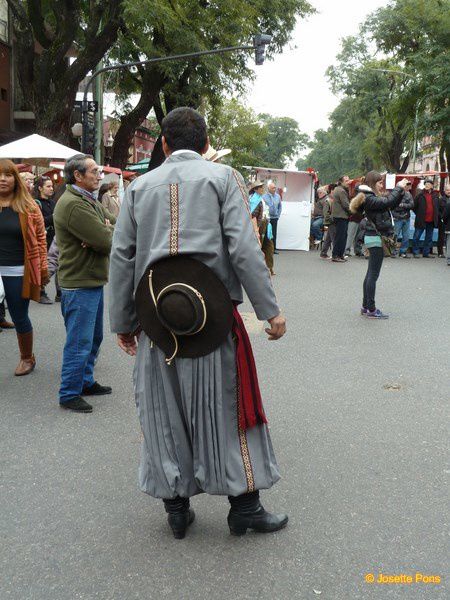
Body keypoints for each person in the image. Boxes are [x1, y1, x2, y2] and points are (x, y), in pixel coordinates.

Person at [109, 107, 287, 540]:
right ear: (205, 144)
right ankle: (244, 507)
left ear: (163, 144)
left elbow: (122, 257)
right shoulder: (223, 178)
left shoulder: (138, 188)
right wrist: (269, 310)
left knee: (162, 411)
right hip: (212, 318)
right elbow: (244, 248)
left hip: (156, 320)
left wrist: (123, 322)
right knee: (226, 408)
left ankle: (176, 509)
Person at [53, 154, 117, 413]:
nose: (99, 175)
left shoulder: (86, 199)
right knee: (79, 342)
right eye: (94, 170)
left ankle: (85, 381)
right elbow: (106, 241)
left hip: (90, 279)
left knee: (93, 338)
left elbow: (114, 226)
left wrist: (103, 229)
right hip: (79, 282)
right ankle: (69, 392)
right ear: (77, 175)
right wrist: (102, 233)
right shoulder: (73, 204)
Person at [0, 159, 49, 375]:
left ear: (15, 179)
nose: (2, 179)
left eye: (8, 174)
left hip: (17, 271)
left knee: (20, 316)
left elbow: (40, 240)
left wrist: (44, 270)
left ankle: (27, 358)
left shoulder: (29, 207)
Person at [350, 171, 408, 319]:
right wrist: (398, 187)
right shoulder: (369, 198)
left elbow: (390, 203)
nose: (382, 185)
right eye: (379, 182)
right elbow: (388, 202)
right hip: (375, 238)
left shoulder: (368, 197)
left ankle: (365, 307)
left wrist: (400, 191)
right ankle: (371, 309)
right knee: (373, 275)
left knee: (370, 273)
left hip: (373, 238)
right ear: (372, 182)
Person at [35, 176, 56, 304]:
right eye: (48, 186)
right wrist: (53, 217)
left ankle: (60, 292)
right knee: (44, 266)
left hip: (54, 237)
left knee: (57, 264)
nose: (51, 188)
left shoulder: (53, 202)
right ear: (40, 188)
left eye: (51, 186)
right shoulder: (36, 203)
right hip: (43, 238)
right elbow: (39, 222)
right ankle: (40, 291)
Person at [249, 180, 275, 276]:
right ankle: (257, 269)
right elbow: (253, 215)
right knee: (258, 248)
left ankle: (269, 267)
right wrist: (257, 229)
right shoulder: (253, 199)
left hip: (266, 224)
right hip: (258, 225)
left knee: (269, 246)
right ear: (255, 189)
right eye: (260, 187)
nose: (262, 189)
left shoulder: (261, 199)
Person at [412, 179, 439, 258]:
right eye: (426, 184)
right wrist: (419, 214)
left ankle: (426, 253)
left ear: (432, 186)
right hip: (421, 220)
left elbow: (437, 207)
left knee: (429, 238)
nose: (427, 185)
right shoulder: (420, 195)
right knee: (416, 236)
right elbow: (414, 207)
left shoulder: (435, 195)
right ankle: (415, 252)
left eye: (429, 184)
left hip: (431, 220)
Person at [392, 180, 414, 258]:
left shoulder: (409, 194)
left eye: (407, 185)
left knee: (406, 236)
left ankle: (403, 252)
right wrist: (405, 205)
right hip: (397, 218)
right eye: (405, 185)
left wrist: (403, 205)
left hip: (406, 218)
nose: (407, 187)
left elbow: (412, 205)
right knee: (395, 235)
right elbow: (395, 206)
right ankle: (393, 251)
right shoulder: (395, 194)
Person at [331, 175, 351, 262]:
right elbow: (346, 205)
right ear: (341, 182)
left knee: (341, 236)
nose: (348, 182)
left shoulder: (337, 189)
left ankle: (339, 255)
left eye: (348, 180)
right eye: (346, 181)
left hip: (338, 216)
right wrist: (353, 211)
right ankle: (336, 255)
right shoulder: (342, 190)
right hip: (341, 216)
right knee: (341, 237)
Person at [263, 181, 282, 253]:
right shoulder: (264, 197)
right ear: (269, 189)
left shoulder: (278, 196)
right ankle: (266, 249)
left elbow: (280, 206)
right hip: (267, 218)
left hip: (275, 218)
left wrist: (278, 215)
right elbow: (263, 207)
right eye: (273, 188)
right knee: (266, 233)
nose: (274, 189)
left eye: (275, 188)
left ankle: (274, 249)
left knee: (274, 233)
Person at [320, 186, 335, 259]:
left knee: (328, 238)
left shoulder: (333, 200)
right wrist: (331, 219)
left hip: (331, 221)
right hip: (331, 222)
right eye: (334, 190)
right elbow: (325, 213)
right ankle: (336, 254)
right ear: (331, 191)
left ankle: (323, 253)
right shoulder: (328, 200)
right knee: (334, 238)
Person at [437, 185, 448, 258]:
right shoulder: (441, 199)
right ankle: (440, 252)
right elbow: (437, 210)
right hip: (443, 221)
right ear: (445, 191)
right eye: (447, 190)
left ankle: (448, 253)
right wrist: (442, 218)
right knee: (441, 237)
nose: (449, 191)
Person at [442, 184, 450, 266]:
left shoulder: (448, 203)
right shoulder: (444, 200)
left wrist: (445, 222)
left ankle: (449, 259)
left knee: (449, 243)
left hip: (449, 226)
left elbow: (445, 216)